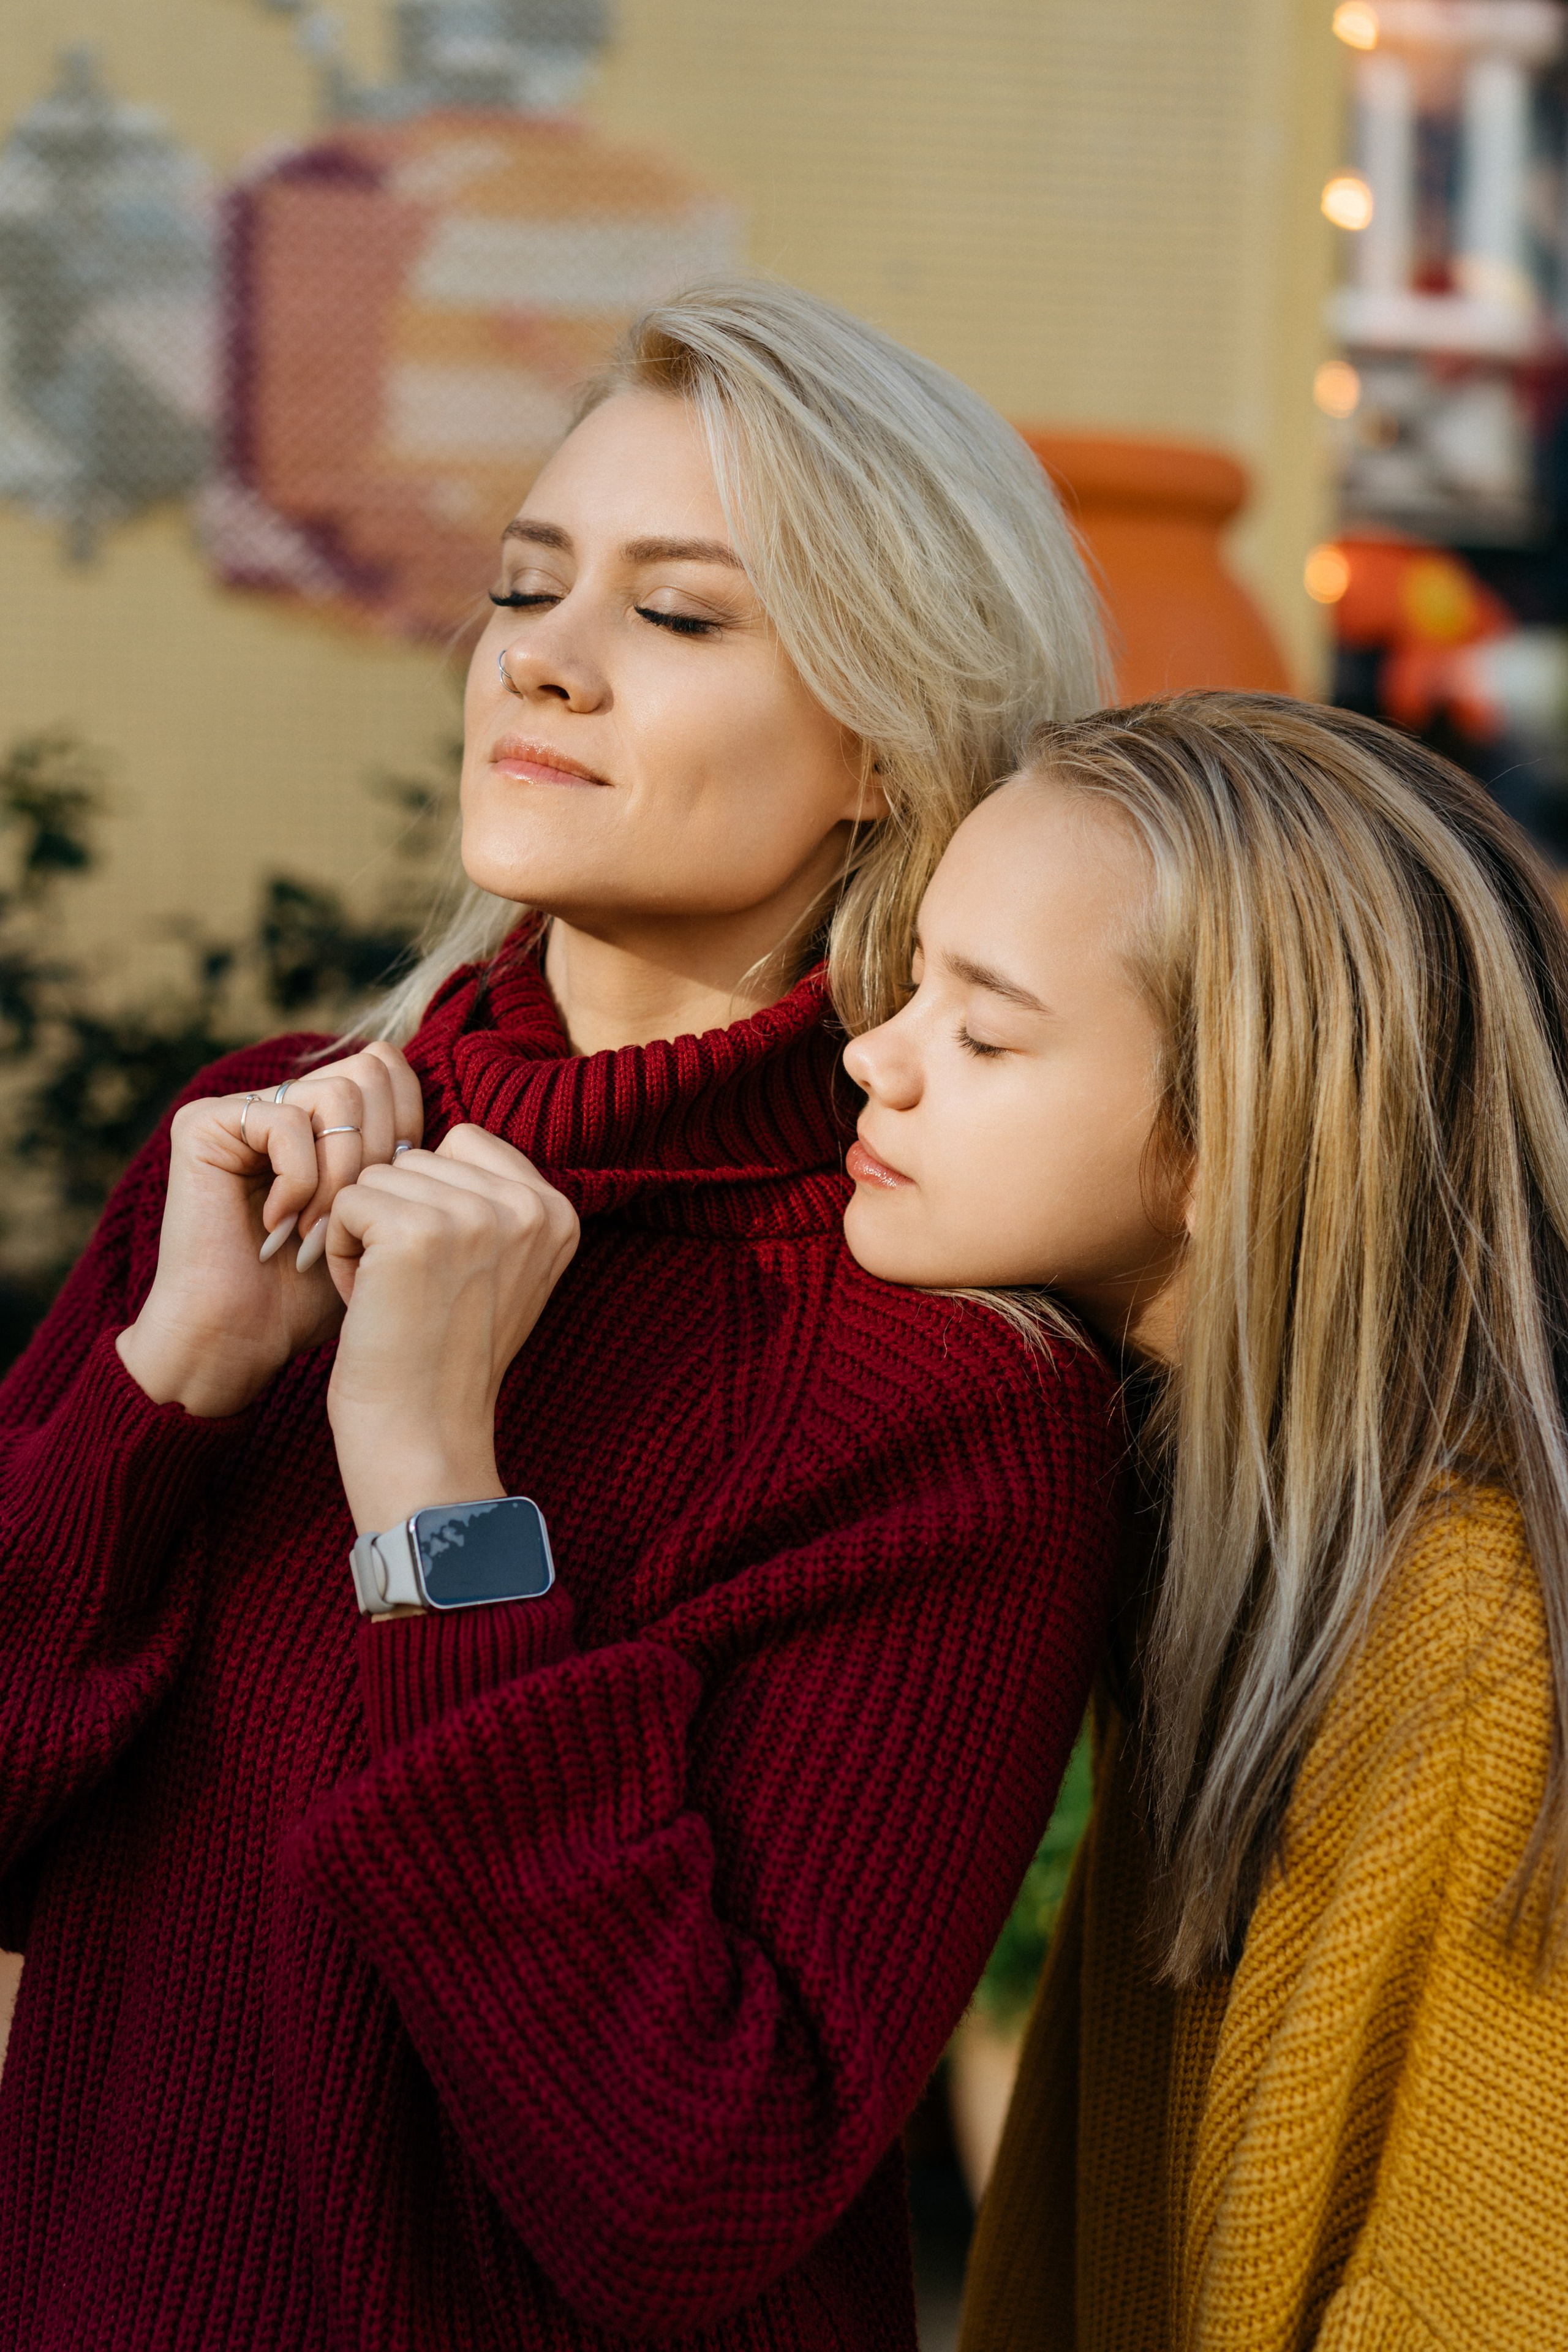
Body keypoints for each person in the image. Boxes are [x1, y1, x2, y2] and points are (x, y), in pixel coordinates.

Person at [0, 282, 1123, 2351]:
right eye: (529, 583)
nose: (544, 655)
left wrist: (438, 1499)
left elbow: (693, 2194)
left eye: (678, 616)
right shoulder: (250, 1161)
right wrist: (170, 1390)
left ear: (884, 741)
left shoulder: (936, 1376)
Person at [838, 690, 1568, 2352]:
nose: (878, 1054)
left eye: (985, 1030)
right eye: (911, 984)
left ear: (1242, 1124)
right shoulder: (1194, 1518)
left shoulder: (1475, 1628)